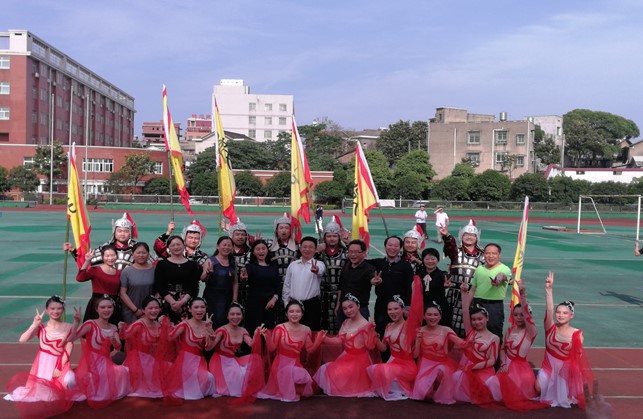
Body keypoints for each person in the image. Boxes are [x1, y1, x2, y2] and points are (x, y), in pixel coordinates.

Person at [5, 296, 83, 417]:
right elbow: (22, 340)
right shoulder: (41, 327)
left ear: (63, 310)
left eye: (59, 308)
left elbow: (69, 347)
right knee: (45, 394)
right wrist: (34, 324)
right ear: (46, 310)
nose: (55, 311)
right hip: (43, 363)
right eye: (52, 308)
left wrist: (59, 367)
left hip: (60, 361)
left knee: (70, 380)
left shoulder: (69, 326)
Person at [536, 272, 594, 409]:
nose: (560, 315)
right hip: (549, 367)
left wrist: (571, 378)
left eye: (565, 313)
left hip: (565, 370)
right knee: (538, 388)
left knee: (567, 395)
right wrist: (549, 290)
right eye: (558, 312)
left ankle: (568, 388)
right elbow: (549, 310)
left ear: (571, 316)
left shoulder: (577, 334)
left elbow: (577, 358)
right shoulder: (550, 327)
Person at [486, 284, 546, 411]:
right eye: (516, 315)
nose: (519, 317)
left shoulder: (530, 332)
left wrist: (522, 296)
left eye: (522, 315)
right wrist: (503, 364)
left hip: (520, 369)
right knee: (492, 389)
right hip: (506, 366)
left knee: (513, 394)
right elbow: (503, 349)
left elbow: (527, 316)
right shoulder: (510, 330)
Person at [258, 300, 325, 402]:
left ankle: (290, 388)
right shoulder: (279, 328)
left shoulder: (306, 329)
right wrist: (267, 337)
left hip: (295, 364)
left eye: (297, 311)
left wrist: (318, 340)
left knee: (307, 391)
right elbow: (272, 348)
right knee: (292, 382)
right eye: (291, 311)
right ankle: (285, 387)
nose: (294, 314)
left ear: (302, 314)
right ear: (286, 314)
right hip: (281, 365)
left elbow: (309, 349)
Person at [70, 296, 131, 405]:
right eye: (103, 307)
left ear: (113, 309)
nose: (106, 310)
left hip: (106, 362)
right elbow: (71, 338)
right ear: (96, 309)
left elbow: (118, 347)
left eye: (109, 307)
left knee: (124, 371)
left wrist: (114, 342)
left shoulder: (113, 327)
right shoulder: (90, 324)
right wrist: (76, 322)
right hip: (91, 362)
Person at [314, 294, 378, 397]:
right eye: (345, 308)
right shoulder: (345, 322)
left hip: (359, 362)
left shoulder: (365, 324)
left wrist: (371, 333)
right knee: (327, 369)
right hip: (345, 357)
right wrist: (324, 338)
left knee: (342, 375)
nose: (348, 310)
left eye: (350, 307)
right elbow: (340, 340)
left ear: (358, 306)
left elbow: (370, 347)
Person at [367, 291, 422, 401]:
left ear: (403, 309)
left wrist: (414, 287)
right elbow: (383, 348)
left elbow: (416, 310)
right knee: (375, 370)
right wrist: (373, 334)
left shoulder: (407, 326)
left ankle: (400, 387)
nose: (392, 312)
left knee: (382, 371)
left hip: (406, 366)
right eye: (390, 309)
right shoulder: (388, 326)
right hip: (392, 363)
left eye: (396, 309)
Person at [452, 287, 499, 406]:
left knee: (484, 392)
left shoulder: (494, 338)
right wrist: (464, 293)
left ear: (487, 318)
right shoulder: (470, 332)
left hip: (483, 370)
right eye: (474, 319)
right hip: (467, 368)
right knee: (456, 380)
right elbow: (465, 311)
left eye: (480, 319)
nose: (477, 322)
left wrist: (474, 366)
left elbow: (492, 360)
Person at [411, 302, 466, 404]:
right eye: (429, 314)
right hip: (425, 365)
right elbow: (415, 355)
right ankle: (432, 387)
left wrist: (473, 341)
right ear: (424, 316)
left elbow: (462, 344)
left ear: (440, 317)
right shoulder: (419, 330)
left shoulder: (446, 330)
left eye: (436, 315)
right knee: (423, 394)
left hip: (442, 364)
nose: (433, 317)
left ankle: (439, 387)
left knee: (441, 370)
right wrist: (417, 341)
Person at [208, 303, 264, 399]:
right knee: (239, 379)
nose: (235, 317)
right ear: (227, 316)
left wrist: (256, 335)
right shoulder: (221, 330)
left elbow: (251, 344)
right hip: (219, 362)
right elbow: (209, 348)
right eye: (232, 314)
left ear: (242, 316)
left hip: (233, 360)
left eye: (238, 314)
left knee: (256, 358)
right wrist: (210, 337)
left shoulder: (242, 330)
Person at [164, 297, 216, 400]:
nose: (199, 310)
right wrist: (166, 325)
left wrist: (210, 331)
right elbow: (169, 338)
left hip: (199, 361)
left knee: (210, 378)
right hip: (185, 362)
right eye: (196, 307)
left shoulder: (207, 324)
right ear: (190, 309)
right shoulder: (184, 324)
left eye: (202, 307)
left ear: (206, 309)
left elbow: (208, 348)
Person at [442, 219, 485, 337]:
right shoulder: (456, 252)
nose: (469, 237)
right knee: (451, 324)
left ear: (477, 237)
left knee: (471, 324)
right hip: (455, 295)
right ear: (461, 236)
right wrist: (447, 236)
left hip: (474, 295)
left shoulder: (483, 255)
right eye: (466, 234)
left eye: (472, 235)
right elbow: (450, 246)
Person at [118, 296, 167, 398]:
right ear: (144, 310)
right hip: (139, 361)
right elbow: (124, 336)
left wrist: (167, 325)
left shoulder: (159, 324)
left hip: (154, 360)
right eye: (150, 308)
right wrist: (121, 329)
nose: (154, 311)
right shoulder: (138, 325)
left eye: (156, 308)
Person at [64, 212, 148, 270]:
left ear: (130, 233)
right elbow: (87, 261)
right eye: (119, 231)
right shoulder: (106, 248)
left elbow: (151, 266)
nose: (122, 234)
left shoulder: (138, 248)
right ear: (114, 231)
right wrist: (72, 250)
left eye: (126, 231)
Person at [154, 235, 207, 324]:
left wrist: (182, 302)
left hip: (186, 301)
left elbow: (193, 286)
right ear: (168, 248)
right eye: (173, 245)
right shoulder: (162, 264)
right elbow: (159, 285)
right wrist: (172, 302)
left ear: (184, 245)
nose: (176, 247)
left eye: (178, 244)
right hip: (167, 301)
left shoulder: (192, 265)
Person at [369, 236, 414, 338]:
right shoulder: (378, 263)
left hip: (399, 306)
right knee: (380, 331)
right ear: (385, 246)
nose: (392, 248)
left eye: (396, 246)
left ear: (400, 248)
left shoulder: (406, 266)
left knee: (399, 335)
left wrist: (407, 307)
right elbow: (359, 260)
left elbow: (409, 287)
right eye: (390, 245)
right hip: (381, 305)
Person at [468, 243, 513, 343]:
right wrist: (466, 307)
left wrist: (498, 280)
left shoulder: (505, 269)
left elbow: (502, 275)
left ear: (499, 255)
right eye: (487, 253)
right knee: (475, 332)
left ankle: (495, 353)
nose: (490, 256)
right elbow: (473, 289)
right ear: (484, 254)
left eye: (494, 253)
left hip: (494, 306)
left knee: (494, 332)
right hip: (477, 304)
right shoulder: (479, 269)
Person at [282, 236, 325, 331]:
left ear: (315, 249)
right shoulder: (293, 265)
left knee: (311, 331)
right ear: (300, 248)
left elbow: (320, 271)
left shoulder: (319, 264)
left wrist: (316, 270)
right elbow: (287, 285)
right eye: (304, 247)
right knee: (293, 332)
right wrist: (286, 303)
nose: (307, 249)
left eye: (310, 247)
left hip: (311, 305)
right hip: (293, 304)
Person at [317, 217, 349, 335]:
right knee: (322, 321)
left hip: (341, 293)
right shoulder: (319, 254)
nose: (332, 239)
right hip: (322, 294)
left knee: (340, 322)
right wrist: (316, 252)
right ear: (324, 237)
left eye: (334, 236)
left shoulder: (345, 253)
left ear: (339, 237)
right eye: (329, 236)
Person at [76, 245, 121, 324]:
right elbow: (80, 278)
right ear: (102, 257)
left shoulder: (120, 273)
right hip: (96, 305)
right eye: (107, 256)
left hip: (112, 306)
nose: (110, 258)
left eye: (113, 255)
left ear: (116, 256)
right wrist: (87, 261)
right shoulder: (95, 270)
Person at [242, 239, 280, 333]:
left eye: (263, 248)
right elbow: (245, 277)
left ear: (267, 250)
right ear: (253, 252)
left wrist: (274, 299)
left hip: (270, 304)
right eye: (258, 249)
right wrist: (244, 277)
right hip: (254, 303)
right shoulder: (250, 266)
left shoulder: (273, 266)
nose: (261, 251)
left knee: (268, 330)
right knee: (254, 329)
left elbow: (277, 285)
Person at [336, 239, 376, 325]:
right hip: (343, 309)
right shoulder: (346, 265)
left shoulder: (369, 268)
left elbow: (372, 278)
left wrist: (374, 281)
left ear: (364, 253)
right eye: (350, 252)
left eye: (356, 252)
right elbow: (341, 286)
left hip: (360, 309)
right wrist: (338, 304)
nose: (353, 255)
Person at [268, 213, 299, 322]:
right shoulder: (269, 247)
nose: (284, 230)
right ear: (276, 230)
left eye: (286, 228)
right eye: (281, 228)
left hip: (293, 287)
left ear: (291, 230)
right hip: (274, 287)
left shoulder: (298, 247)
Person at [204, 236, 238, 329]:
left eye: (229, 245)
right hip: (212, 297)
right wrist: (207, 273)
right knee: (214, 322)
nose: (226, 247)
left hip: (228, 297)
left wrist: (235, 299)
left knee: (227, 324)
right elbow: (202, 278)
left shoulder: (232, 262)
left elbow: (235, 282)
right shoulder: (210, 260)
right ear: (217, 246)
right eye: (224, 245)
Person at [119, 242, 155, 324]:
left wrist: (151, 307)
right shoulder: (126, 271)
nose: (141, 255)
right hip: (131, 311)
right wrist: (135, 310)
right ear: (132, 254)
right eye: (138, 253)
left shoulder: (155, 270)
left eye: (144, 253)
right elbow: (122, 293)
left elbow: (159, 290)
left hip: (151, 311)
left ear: (148, 254)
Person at [416, 248, 451, 325]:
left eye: (433, 259)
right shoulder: (419, 274)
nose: (430, 261)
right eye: (427, 259)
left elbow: (447, 283)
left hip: (439, 307)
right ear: (423, 260)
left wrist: (446, 286)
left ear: (438, 260)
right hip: (422, 307)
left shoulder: (443, 275)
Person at [229, 220, 253, 308]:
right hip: (229, 290)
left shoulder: (251, 253)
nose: (240, 237)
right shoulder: (227, 253)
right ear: (231, 236)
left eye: (243, 234)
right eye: (237, 234)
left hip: (247, 291)